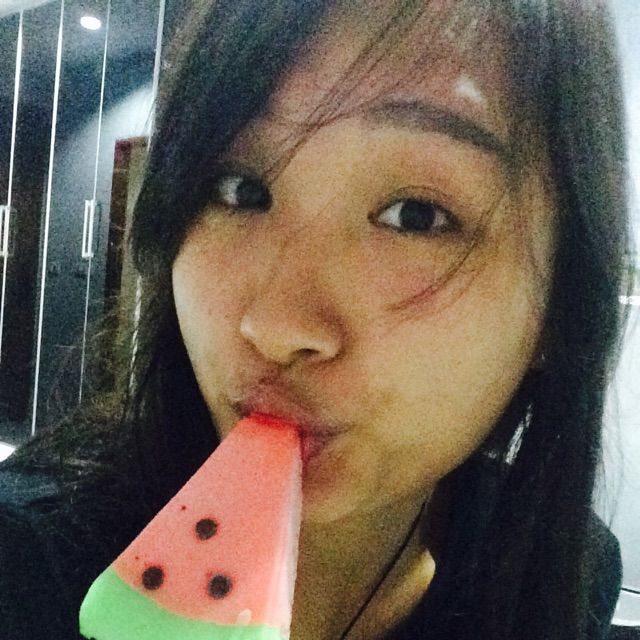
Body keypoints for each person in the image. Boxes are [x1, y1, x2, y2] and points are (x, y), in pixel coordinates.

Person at [0, 0, 632, 638]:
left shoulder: (564, 574)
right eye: (241, 189)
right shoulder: (26, 566)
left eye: (416, 216)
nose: (275, 328)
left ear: (561, 303)